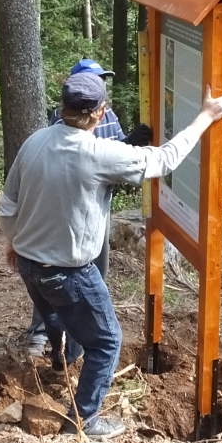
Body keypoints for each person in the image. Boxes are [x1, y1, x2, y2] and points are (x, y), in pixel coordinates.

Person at [0, 72, 222, 439]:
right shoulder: (97, 153)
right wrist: (206, 115)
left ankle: (61, 363)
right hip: (68, 272)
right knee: (106, 343)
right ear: (100, 112)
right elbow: (165, 159)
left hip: (29, 264)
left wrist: (14, 241)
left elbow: (8, 202)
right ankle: (83, 422)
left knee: (55, 314)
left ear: (63, 107)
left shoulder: (35, 141)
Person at [26, 59, 153, 357]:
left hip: (97, 208)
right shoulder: (62, 122)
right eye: (95, 80)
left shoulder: (107, 114)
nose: (101, 85)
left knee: (96, 271)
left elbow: (116, 151)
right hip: (65, 210)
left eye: (102, 79)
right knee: (53, 273)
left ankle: (80, 336)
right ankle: (41, 334)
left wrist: (131, 143)